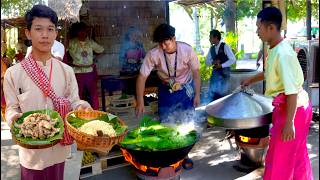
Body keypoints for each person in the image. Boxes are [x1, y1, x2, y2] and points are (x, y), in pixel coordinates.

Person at [3, 5, 92, 180]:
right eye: (38, 29)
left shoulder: (66, 71)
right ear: (28, 33)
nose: (45, 35)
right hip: (31, 152)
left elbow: (74, 101)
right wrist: (13, 118)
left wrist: (82, 106)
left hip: (59, 148)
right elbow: (11, 108)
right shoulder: (13, 74)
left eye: (50, 29)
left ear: (55, 34)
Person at [241, 7, 313, 180]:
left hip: (293, 110)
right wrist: (251, 80)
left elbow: (292, 92)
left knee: (279, 159)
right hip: (290, 107)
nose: (257, 32)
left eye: (259, 28)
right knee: (296, 156)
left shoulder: (283, 53)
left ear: (271, 28)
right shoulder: (274, 48)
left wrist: (289, 124)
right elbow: (270, 73)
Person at [135, 23, 201, 170]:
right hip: (165, 89)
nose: (163, 47)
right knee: (166, 122)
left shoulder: (187, 50)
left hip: (185, 88)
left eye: (166, 43)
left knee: (186, 122)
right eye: (160, 43)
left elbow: (196, 73)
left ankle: (185, 155)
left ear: (173, 39)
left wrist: (197, 94)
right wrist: (140, 101)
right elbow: (141, 77)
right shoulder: (154, 54)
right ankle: (170, 156)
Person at [68, 22, 104, 110]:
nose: (83, 33)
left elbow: (101, 50)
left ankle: (96, 111)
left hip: (89, 72)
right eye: (80, 31)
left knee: (93, 93)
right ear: (76, 32)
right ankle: (78, 113)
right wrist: (70, 62)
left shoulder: (90, 42)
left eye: (84, 31)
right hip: (77, 72)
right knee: (77, 93)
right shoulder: (71, 43)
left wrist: (94, 59)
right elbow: (63, 53)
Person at [205, 29, 236, 103]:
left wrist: (222, 65)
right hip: (215, 75)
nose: (209, 39)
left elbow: (233, 59)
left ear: (216, 38)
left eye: (210, 37)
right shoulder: (211, 49)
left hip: (224, 75)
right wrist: (213, 62)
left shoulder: (225, 46)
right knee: (213, 95)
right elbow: (207, 62)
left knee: (223, 96)